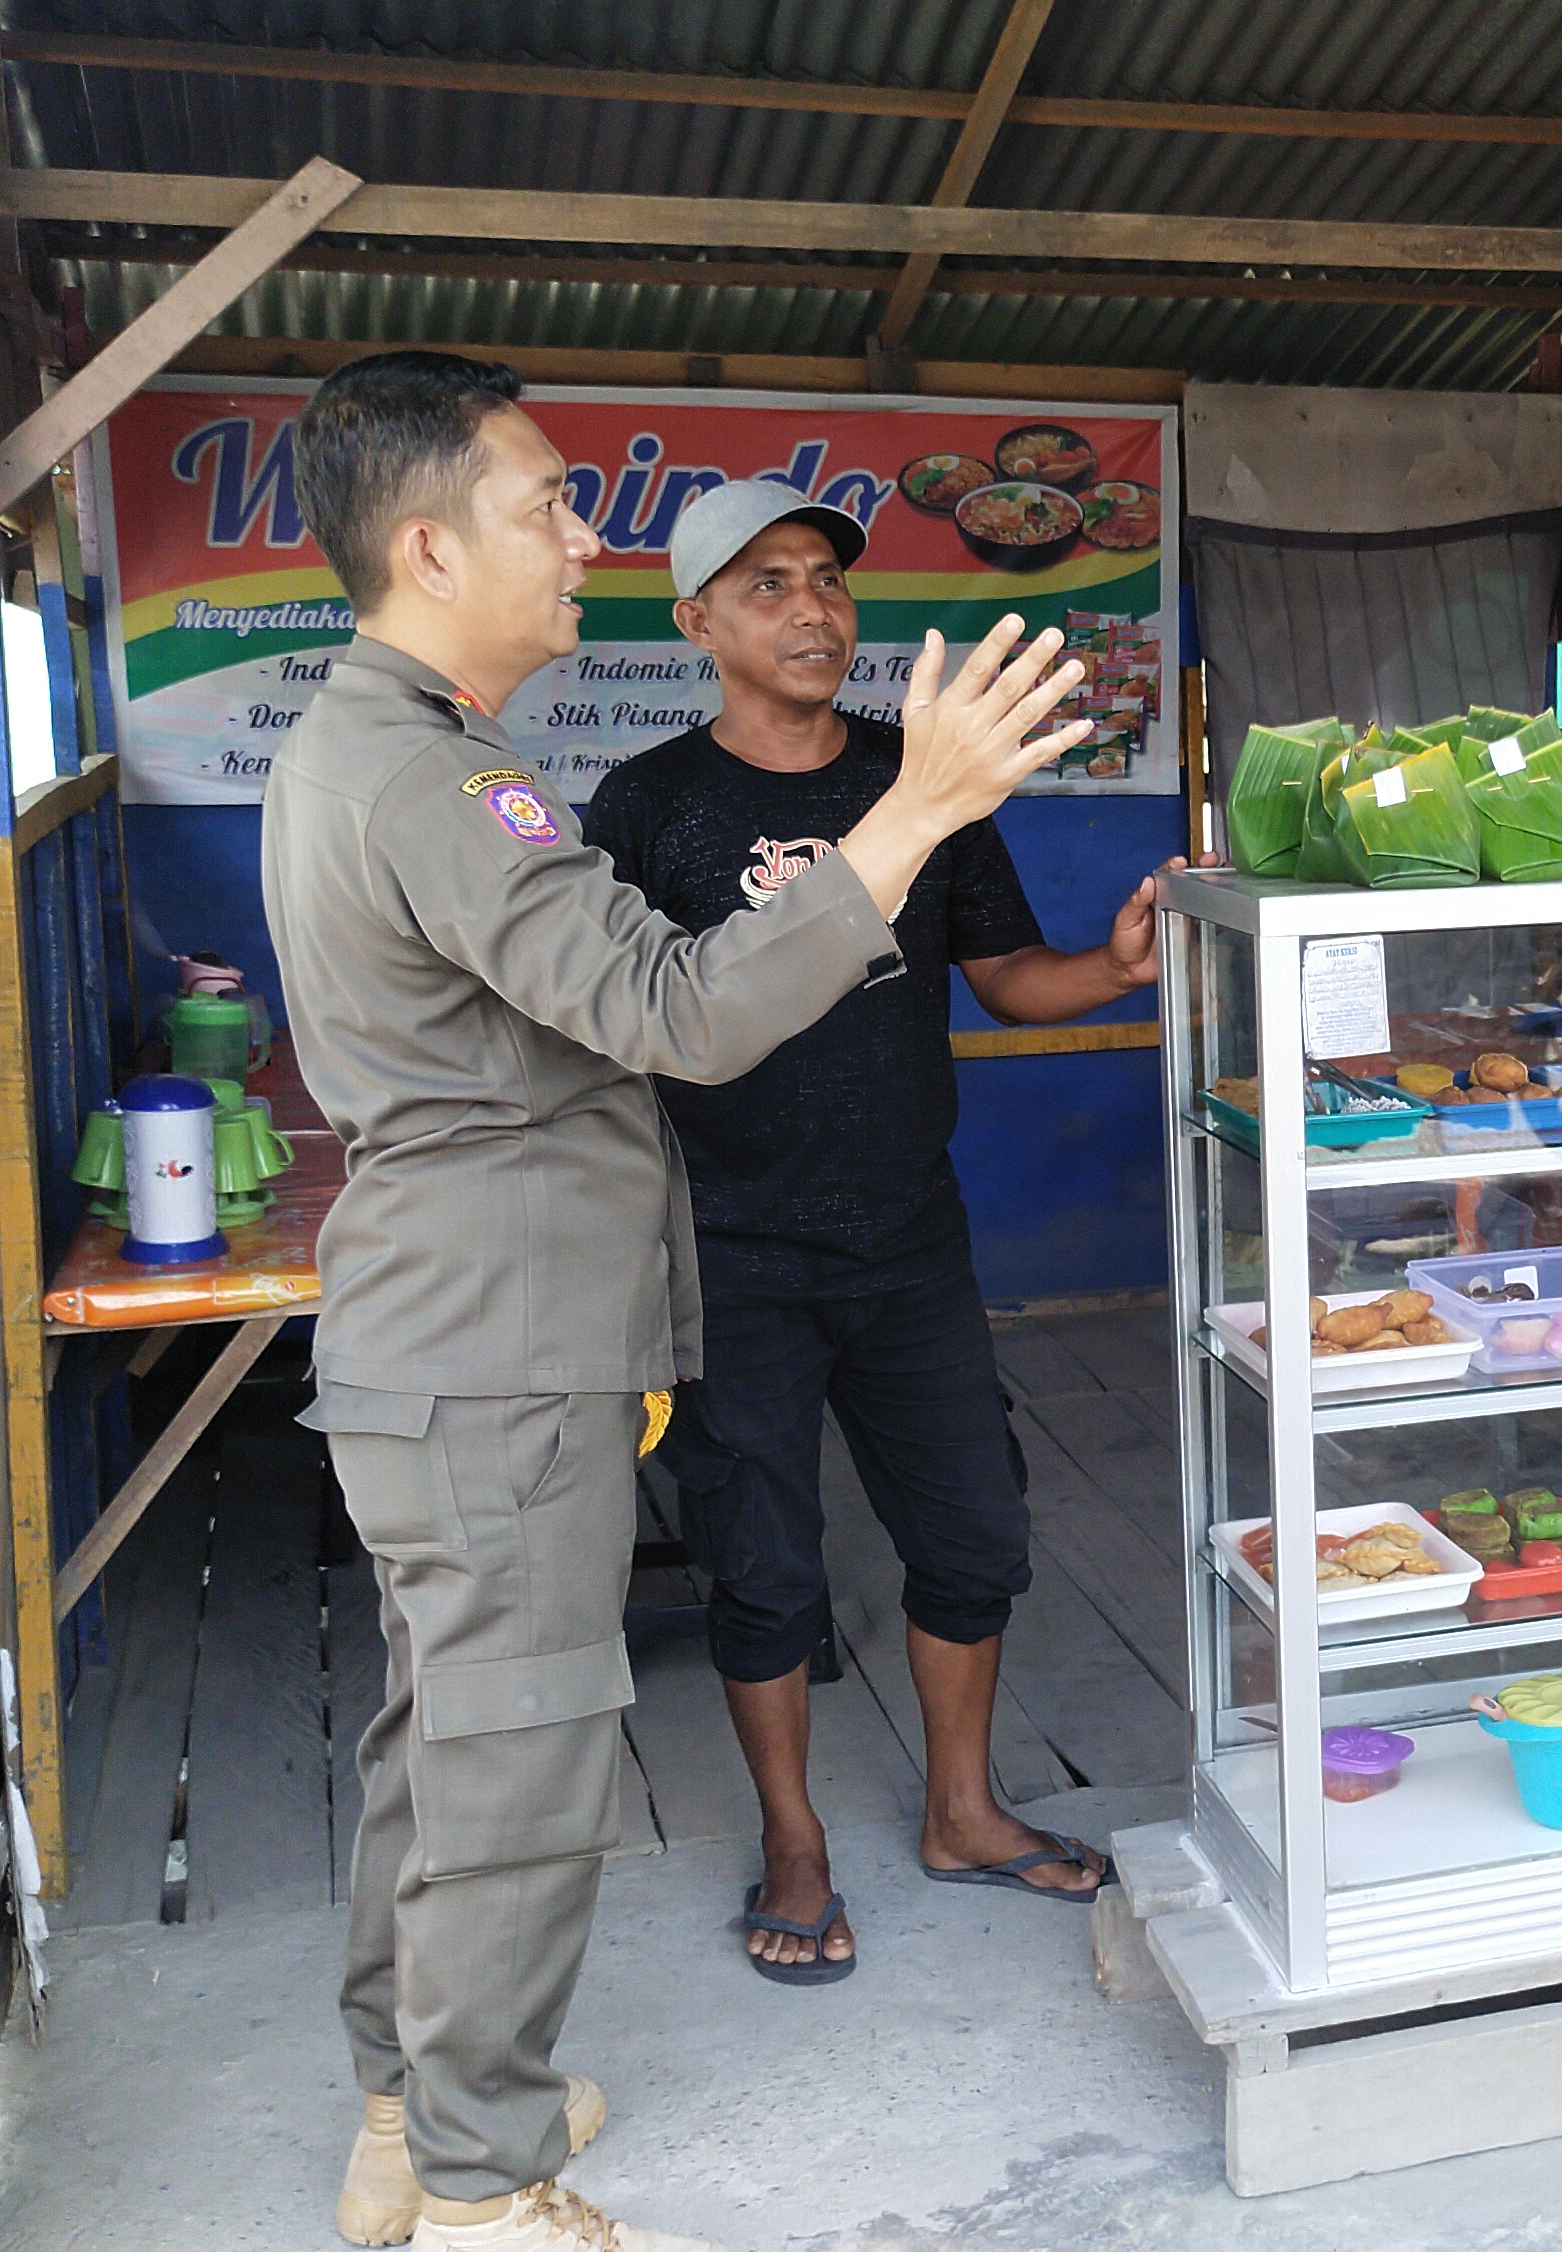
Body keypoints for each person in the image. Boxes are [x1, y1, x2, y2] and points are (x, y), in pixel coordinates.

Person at [263, 352, 1087, 2252]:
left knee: (448, 1745)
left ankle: (412, 2113)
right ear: (426, 542)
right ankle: (481, 2185)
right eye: (549, 503)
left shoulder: (378, 747)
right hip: (497, 1348)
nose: (584, 536)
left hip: (465, 1330)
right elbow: (683, 1010)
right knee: (524, 1759)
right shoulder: (438, 771)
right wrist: (919, 807)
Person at [581, 479, 1172, 1986]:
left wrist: (1106, 968)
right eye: (767, 584)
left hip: (911, 1241)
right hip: (727, 1250)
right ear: (697, 621)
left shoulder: (928, 778)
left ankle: (963, 1809)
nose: (811, 608)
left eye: (829, 582)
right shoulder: (646, 808)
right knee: (762, 1563)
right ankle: (793, 1837)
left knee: (975, 1535)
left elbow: (1009, 979)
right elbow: (622, 1028)